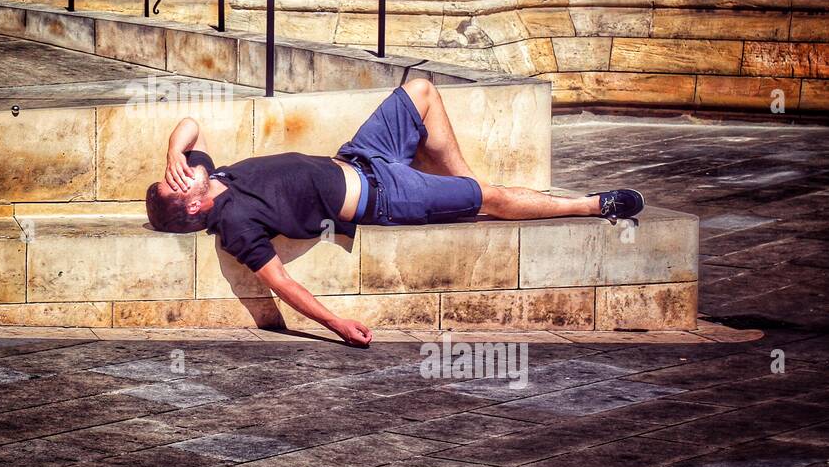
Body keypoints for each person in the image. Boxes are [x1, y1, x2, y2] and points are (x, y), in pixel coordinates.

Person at [145, 79, 644, 348]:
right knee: (489, 199)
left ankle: (462, 190)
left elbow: (190, 124)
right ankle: (594, 204)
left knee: (421, 90)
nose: (183, 168)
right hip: (385, 196)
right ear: (193, 204)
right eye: (177, 176)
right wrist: (337, 324)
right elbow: (283, 285)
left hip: (359, 156)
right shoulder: (234, 221)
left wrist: (173, 151)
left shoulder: (215, 177)